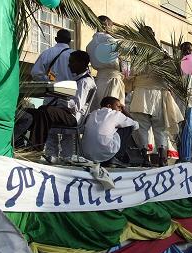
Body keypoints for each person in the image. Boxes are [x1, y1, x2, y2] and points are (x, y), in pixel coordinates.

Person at [15, 50, 96, 152]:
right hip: (66, 112)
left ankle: (35, 149)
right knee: (30, 112)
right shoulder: (78, 79)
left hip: (73, 117)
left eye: (72, 62)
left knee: (45, 111)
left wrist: (60, 96)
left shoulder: (85, 82)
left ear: (81, 63)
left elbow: (75, 107)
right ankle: (20, 143)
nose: (69, 65)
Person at [129, 26, 183, 167]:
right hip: (158, 94)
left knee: (143, 128)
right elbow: (171, 73)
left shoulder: (136, 52)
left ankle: (145, 158)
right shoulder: (163, 53)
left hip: (142, 93)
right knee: (160, 129)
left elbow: (132, 72)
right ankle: (161, 159)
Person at [30, 29, 75, 159]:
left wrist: (50, 81)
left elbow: (35, 73)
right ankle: (67, 157)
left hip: (51, 97)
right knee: (68, 130)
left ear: (56, 39)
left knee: (49, 127)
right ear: (69, 41)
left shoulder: (47, 53)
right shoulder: (75, 55)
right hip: (70, 98)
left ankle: (51, 156)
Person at [82, 96, 139, 167]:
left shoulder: (92, 113)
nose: (120, 109)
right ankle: (117, 158)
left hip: (87, 154)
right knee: (129, 126)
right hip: (106, 151)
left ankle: (109, 158)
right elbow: (136, 125)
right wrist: (124, 111)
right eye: (118, 106)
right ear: (109, 106)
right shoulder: (115, 114)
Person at [86, 15, 125, 111]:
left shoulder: (90, 45)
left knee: (98, 110)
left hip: (99, 81)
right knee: (113, 112)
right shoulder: (112, 40)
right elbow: (123, 62)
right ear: (107, 25)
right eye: (111, 27)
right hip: (113, 80)